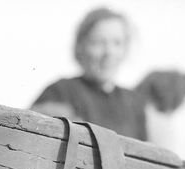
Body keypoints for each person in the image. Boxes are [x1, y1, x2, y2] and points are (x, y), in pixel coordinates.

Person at [31, 7, 148, 140]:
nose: (109, 52)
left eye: (117, 43)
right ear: (81, 46)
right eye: (98, 42)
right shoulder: (60, 92)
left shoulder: (134, 103)